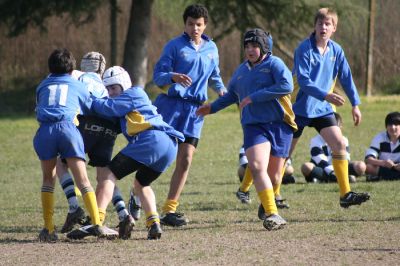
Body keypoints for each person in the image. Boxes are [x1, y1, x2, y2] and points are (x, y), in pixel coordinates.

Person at [197, 28, 296, 230]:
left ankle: (266, 200)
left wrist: (255, 96)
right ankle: (272, 213)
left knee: (275, 176)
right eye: (247, 46)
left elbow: (287, 86)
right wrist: (212, 107)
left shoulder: (274, 64)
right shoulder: (241, 72)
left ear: (263, 47)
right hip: (253, 125)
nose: (250, 50)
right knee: (258, 165)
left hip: (280, 124)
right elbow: (232, 94)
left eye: (254, 46)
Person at [69, 66, 185, 240]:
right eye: (107, 89)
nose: (110, 92)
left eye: (113, 88)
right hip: (169, 146)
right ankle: (154, 223)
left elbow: (105, 107)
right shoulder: (125, 104)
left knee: (108, 174)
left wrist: (85, 95)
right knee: (141, 184)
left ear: (124, 84)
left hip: (153, 139)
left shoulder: (134, 93)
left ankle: (96, 220)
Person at [153, 4, 226, 227]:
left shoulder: (212, 48)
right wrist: (173, 76)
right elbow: (158, 77)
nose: (195, 28)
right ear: (185, 24)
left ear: (205, 25)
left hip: (195, 112)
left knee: (185, 160)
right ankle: (137, 198)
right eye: (191, 24)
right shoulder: (174, 46)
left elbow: (215, 75)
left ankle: (169, 210)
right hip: (172, 107)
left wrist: (222, 90)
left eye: (199, 24)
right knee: (157, 156)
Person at [290, 8, 370, 208]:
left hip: (323, 109)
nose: (323, 27)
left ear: (334, 28)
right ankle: (271, 196)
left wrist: (355, 104)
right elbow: (304, 81)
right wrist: (326, 94)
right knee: (284, 154)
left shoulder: (336, 50)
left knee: (339, 145)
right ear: (315, 26)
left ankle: (346, 195)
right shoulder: (304, 49)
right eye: (320, 23)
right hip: (298, 108)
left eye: (328, 24)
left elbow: (346, 78)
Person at [33, 48, 114, 242]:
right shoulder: (77, 85)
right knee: (83, 180)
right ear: (72, 70)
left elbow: (38, 109)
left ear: (50, 69)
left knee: (47, 180)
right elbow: (90, 107)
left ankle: (48, 228)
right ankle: (97, 224)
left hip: (45, 131)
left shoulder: (42, 86)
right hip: (68, 129)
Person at [56, 52, 130, 237]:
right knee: (105, 176)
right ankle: (123, 213)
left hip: (87, 123)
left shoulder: (77, 76)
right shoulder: (107, 84)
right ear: (102, 68)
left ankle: (74, 207)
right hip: (110, 129)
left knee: (61, 163)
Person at [301, 112, 366, 183]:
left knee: (361, 166)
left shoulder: (344, 140)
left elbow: (346, 158)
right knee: (306, 167)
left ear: (340, 127)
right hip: (322, 167)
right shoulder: (315, 140)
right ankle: (340, 178)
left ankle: (325, 179)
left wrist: (339, 170)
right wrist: (332, 172)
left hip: (339, 167)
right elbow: (320, 161)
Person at [365, 112, 400, 181]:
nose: (393, 127)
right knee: (367, 167)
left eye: (396, 124)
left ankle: (380, 177)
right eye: (390, 124)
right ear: (386, 126)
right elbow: (368, 159)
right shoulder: (379, 137)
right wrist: (383, 163)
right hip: (383, 166)